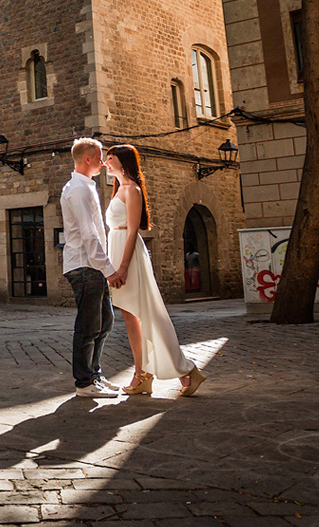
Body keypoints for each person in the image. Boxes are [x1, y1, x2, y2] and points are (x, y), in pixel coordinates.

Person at [103, 144, 208, 396]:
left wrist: (123, 267)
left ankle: (185, 372)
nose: (105, 162)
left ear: (123, 161)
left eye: (110, 158)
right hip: (117, 251)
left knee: (147, 314)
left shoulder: (132, 190)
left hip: (129, 257)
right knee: (131, 317)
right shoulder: (118, 191)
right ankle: (143, 374)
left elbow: (132, 231)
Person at [59, 138, 123, 398]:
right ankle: (84, 383)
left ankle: (93, 374)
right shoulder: (79, 189)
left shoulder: (84, 187)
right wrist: (109, 269)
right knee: (88, 325)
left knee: (105, 321)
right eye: (99, 157)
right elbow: (89, 234)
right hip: (85, 266)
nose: (103, 162)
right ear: (87, 159)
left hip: (91, 266)